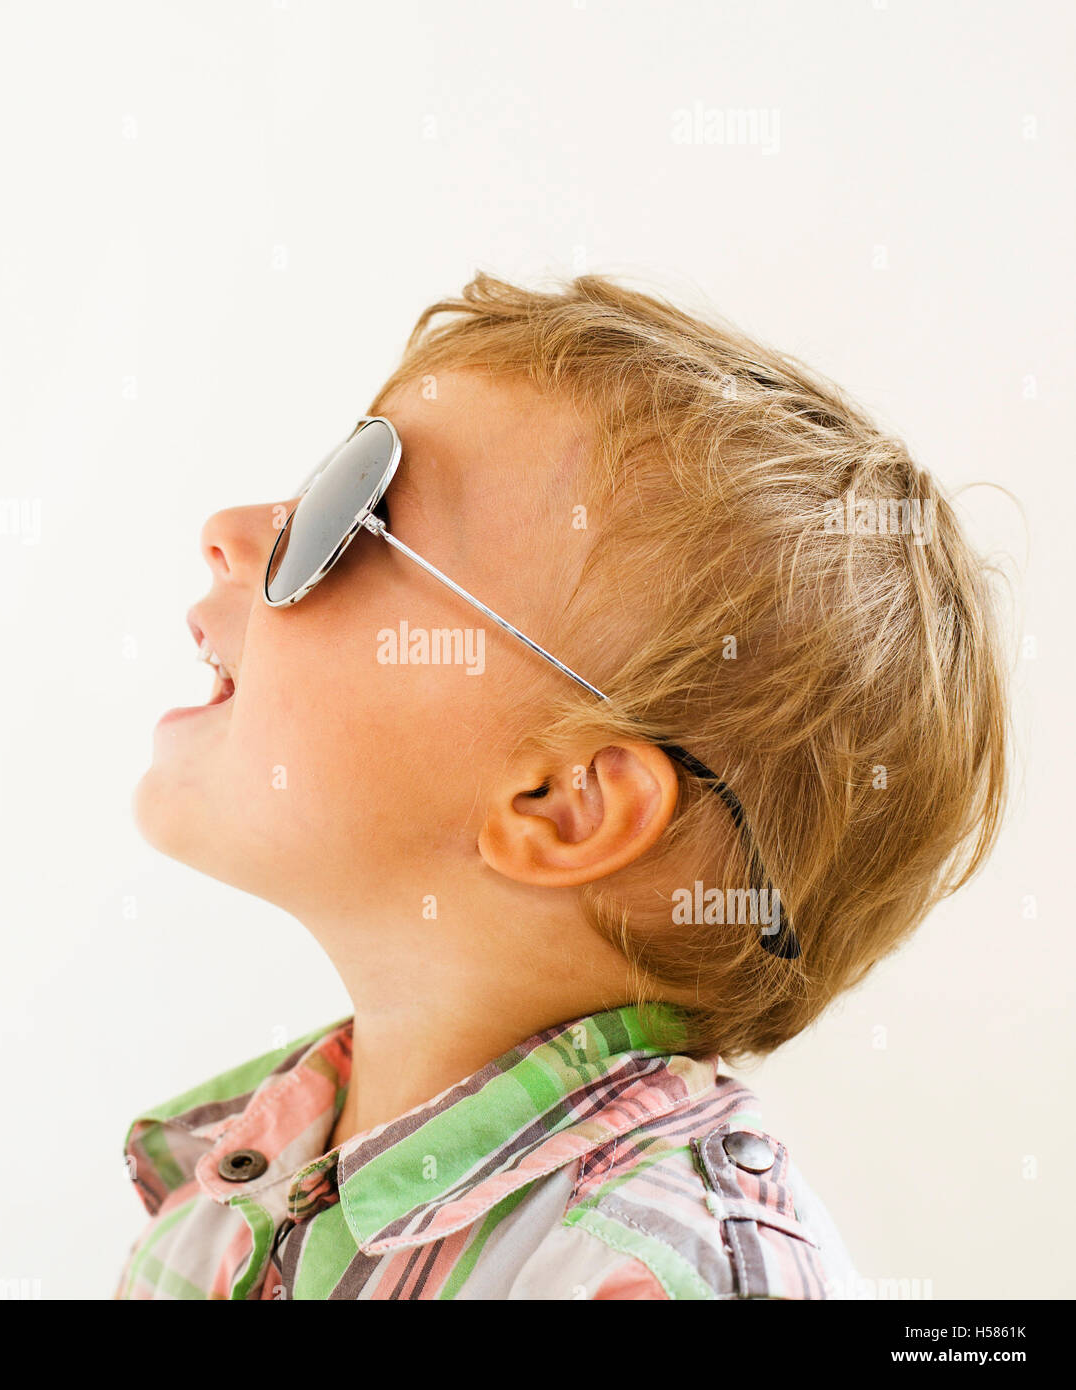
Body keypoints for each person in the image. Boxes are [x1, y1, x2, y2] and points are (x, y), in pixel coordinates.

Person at [115, 272, 1008, 1300]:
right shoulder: (217, 1224)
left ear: (562, 801)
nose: (230, 526)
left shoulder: (659, 1276)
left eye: (349, 509)